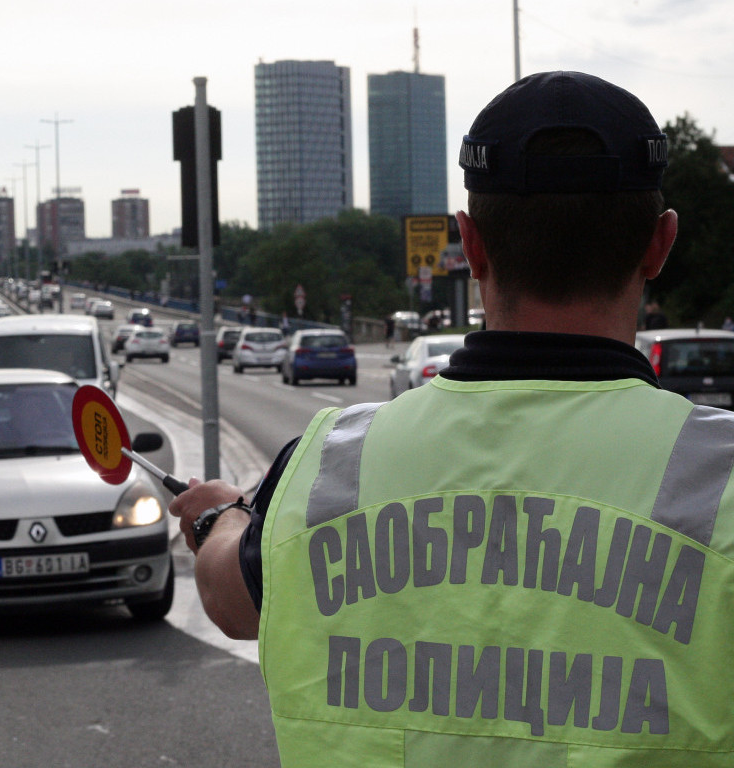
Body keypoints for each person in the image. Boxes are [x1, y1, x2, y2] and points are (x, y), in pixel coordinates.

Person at [170, 71, 734, 765]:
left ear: (470, 246)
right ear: (660, 244)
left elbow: (231, 600)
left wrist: (219, 516)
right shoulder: (720, 478)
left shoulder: (330, 461)